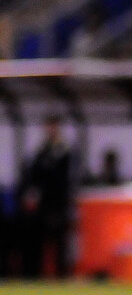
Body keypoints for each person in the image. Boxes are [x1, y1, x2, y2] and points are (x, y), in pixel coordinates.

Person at [16, 114, 77, 279]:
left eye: (52, 126)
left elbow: (62, 179)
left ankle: (61, 275)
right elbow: (33, 175)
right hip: (41, 205)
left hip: (57, 203)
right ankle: (34, 274)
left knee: (59, 241)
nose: (49, 129)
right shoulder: (41, 150)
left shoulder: (64, 150)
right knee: (36, 240)